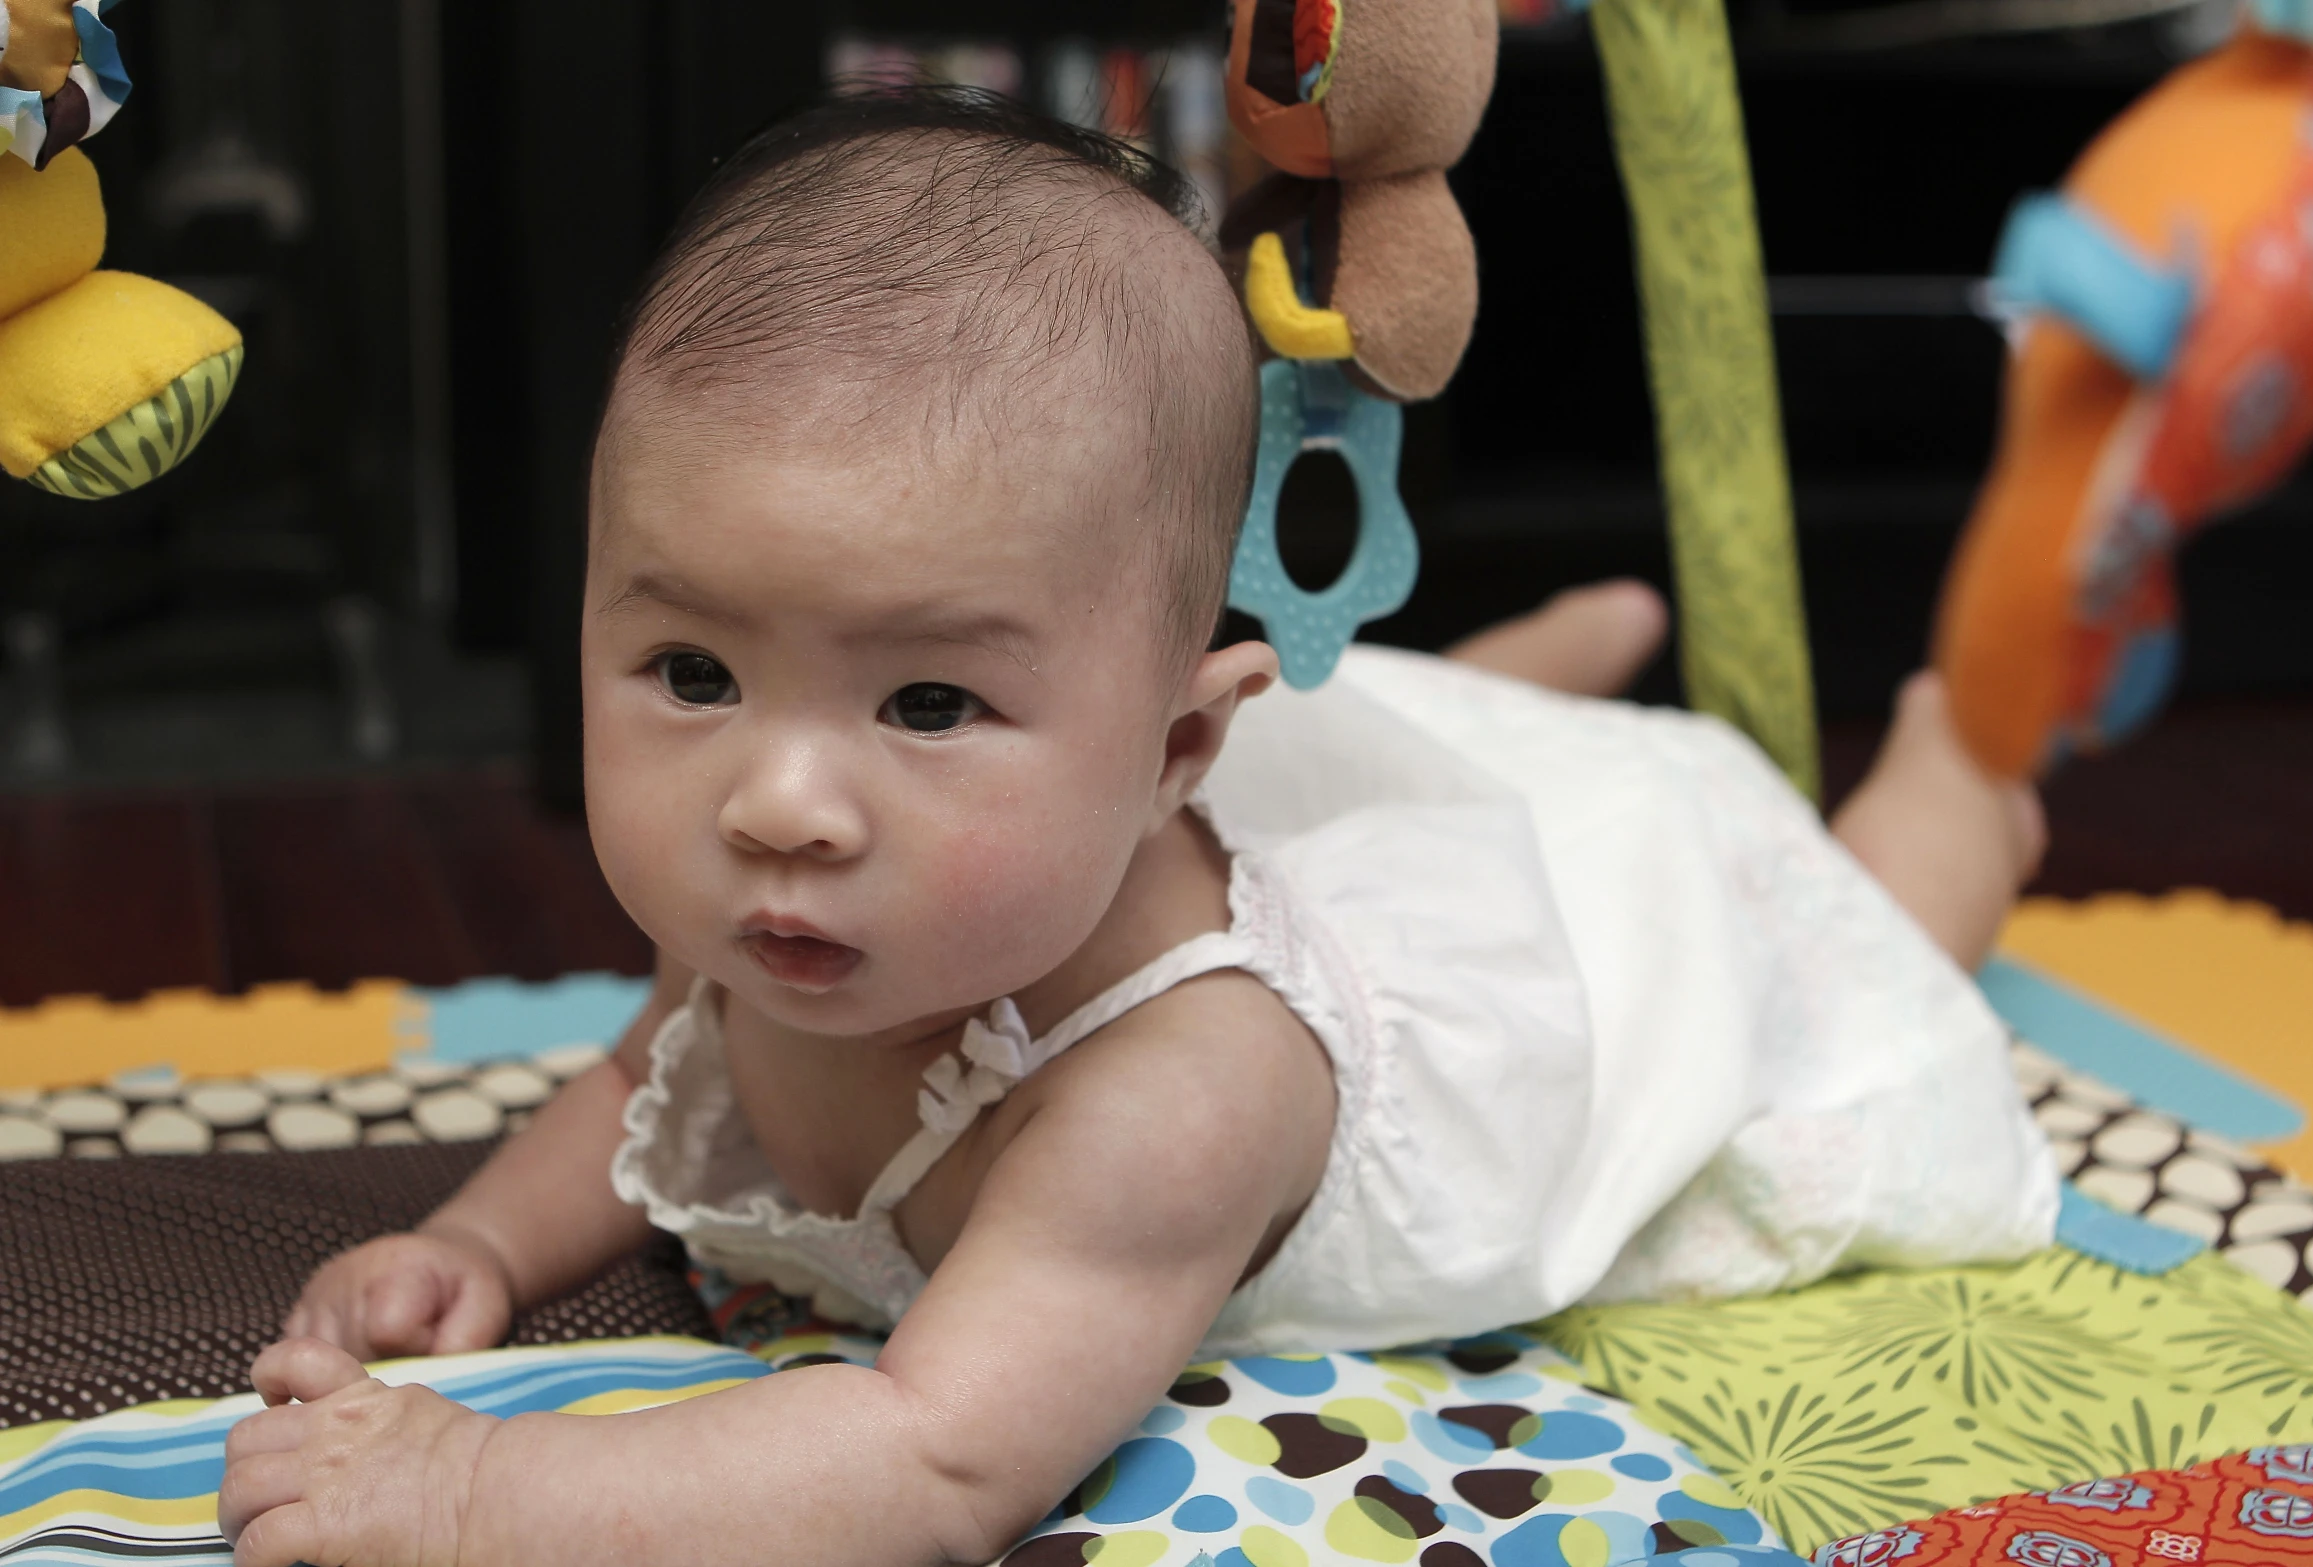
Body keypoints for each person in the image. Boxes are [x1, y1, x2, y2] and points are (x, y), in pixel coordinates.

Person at [220, 89, 2055, 1567]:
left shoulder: (1169, 1099)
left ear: (1178, 741)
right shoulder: (818, 888)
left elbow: (930, 1459)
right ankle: (1516, 679)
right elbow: (643, 1075)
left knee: (1828, 926)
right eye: (691, 668)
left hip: (1588, 990)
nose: (776, 801)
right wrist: (481, 1241)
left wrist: (485, 1500)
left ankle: (1955, 775)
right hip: (1221, 791)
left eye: (928, 702)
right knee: (1425, 748)